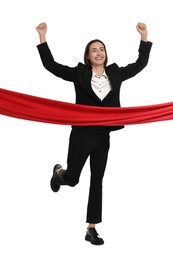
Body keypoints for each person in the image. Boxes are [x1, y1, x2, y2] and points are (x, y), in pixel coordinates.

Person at [36, 22, 152, 245]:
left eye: (102, 49)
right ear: (88, 57)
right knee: (74, 180)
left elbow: (140, 64)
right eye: (94, 50)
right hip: (81, 135)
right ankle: (60, 174)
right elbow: (51, 65)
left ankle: (91, 228)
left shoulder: (116, 73)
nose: (99, 53)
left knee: (97, 181)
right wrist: (43, 37)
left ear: (106, 55)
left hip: (103, 137)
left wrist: (144, 37)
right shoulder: (79, 73)